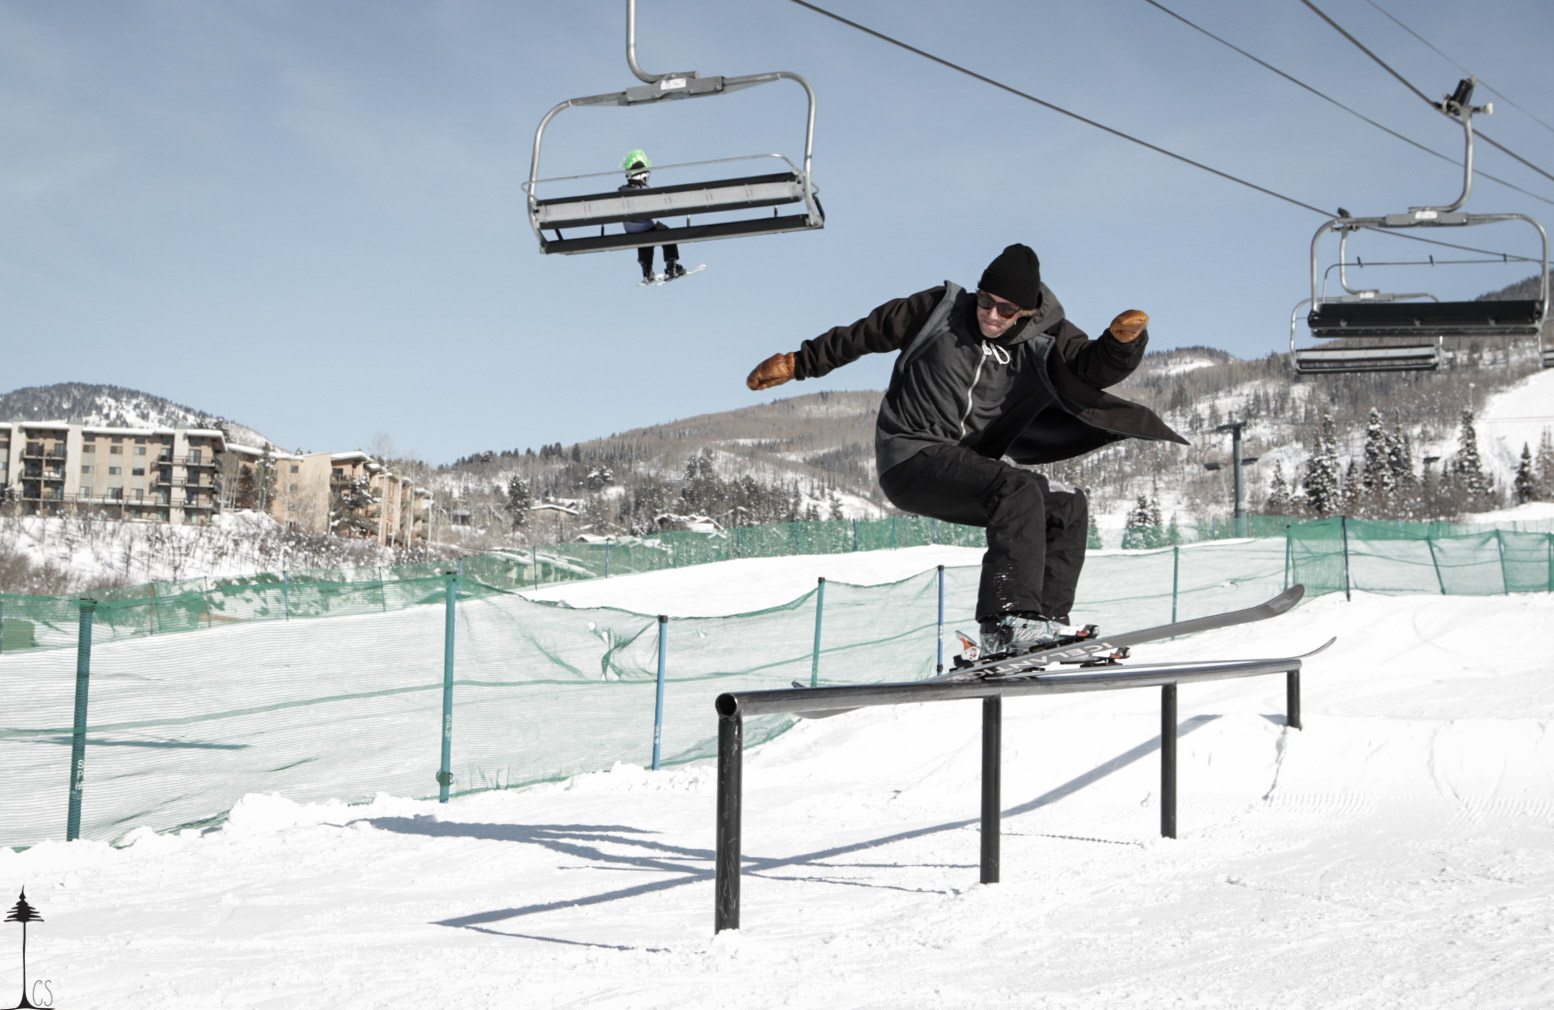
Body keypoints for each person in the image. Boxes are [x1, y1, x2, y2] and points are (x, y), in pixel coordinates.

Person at [745, 243, 1187, 657]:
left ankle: (1044, 622)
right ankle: (1006, 621)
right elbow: (865, 333)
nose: (991, 314)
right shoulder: (937, 310)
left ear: (1027, 311)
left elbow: (1089, 367)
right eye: (985, 301)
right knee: (1018, 487)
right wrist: (799, 363)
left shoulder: (1046, 336)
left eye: (1006, 309)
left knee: (1066, 506)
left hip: (969, 466)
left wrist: (1120, 346)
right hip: (911, 455)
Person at [619, 149, 686, 283]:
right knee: (666, 232)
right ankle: (671, 264)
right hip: (646, 224)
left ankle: (647, 270)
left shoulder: (622, 191)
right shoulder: (643, 191)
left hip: (631, 228)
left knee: (644, 240)